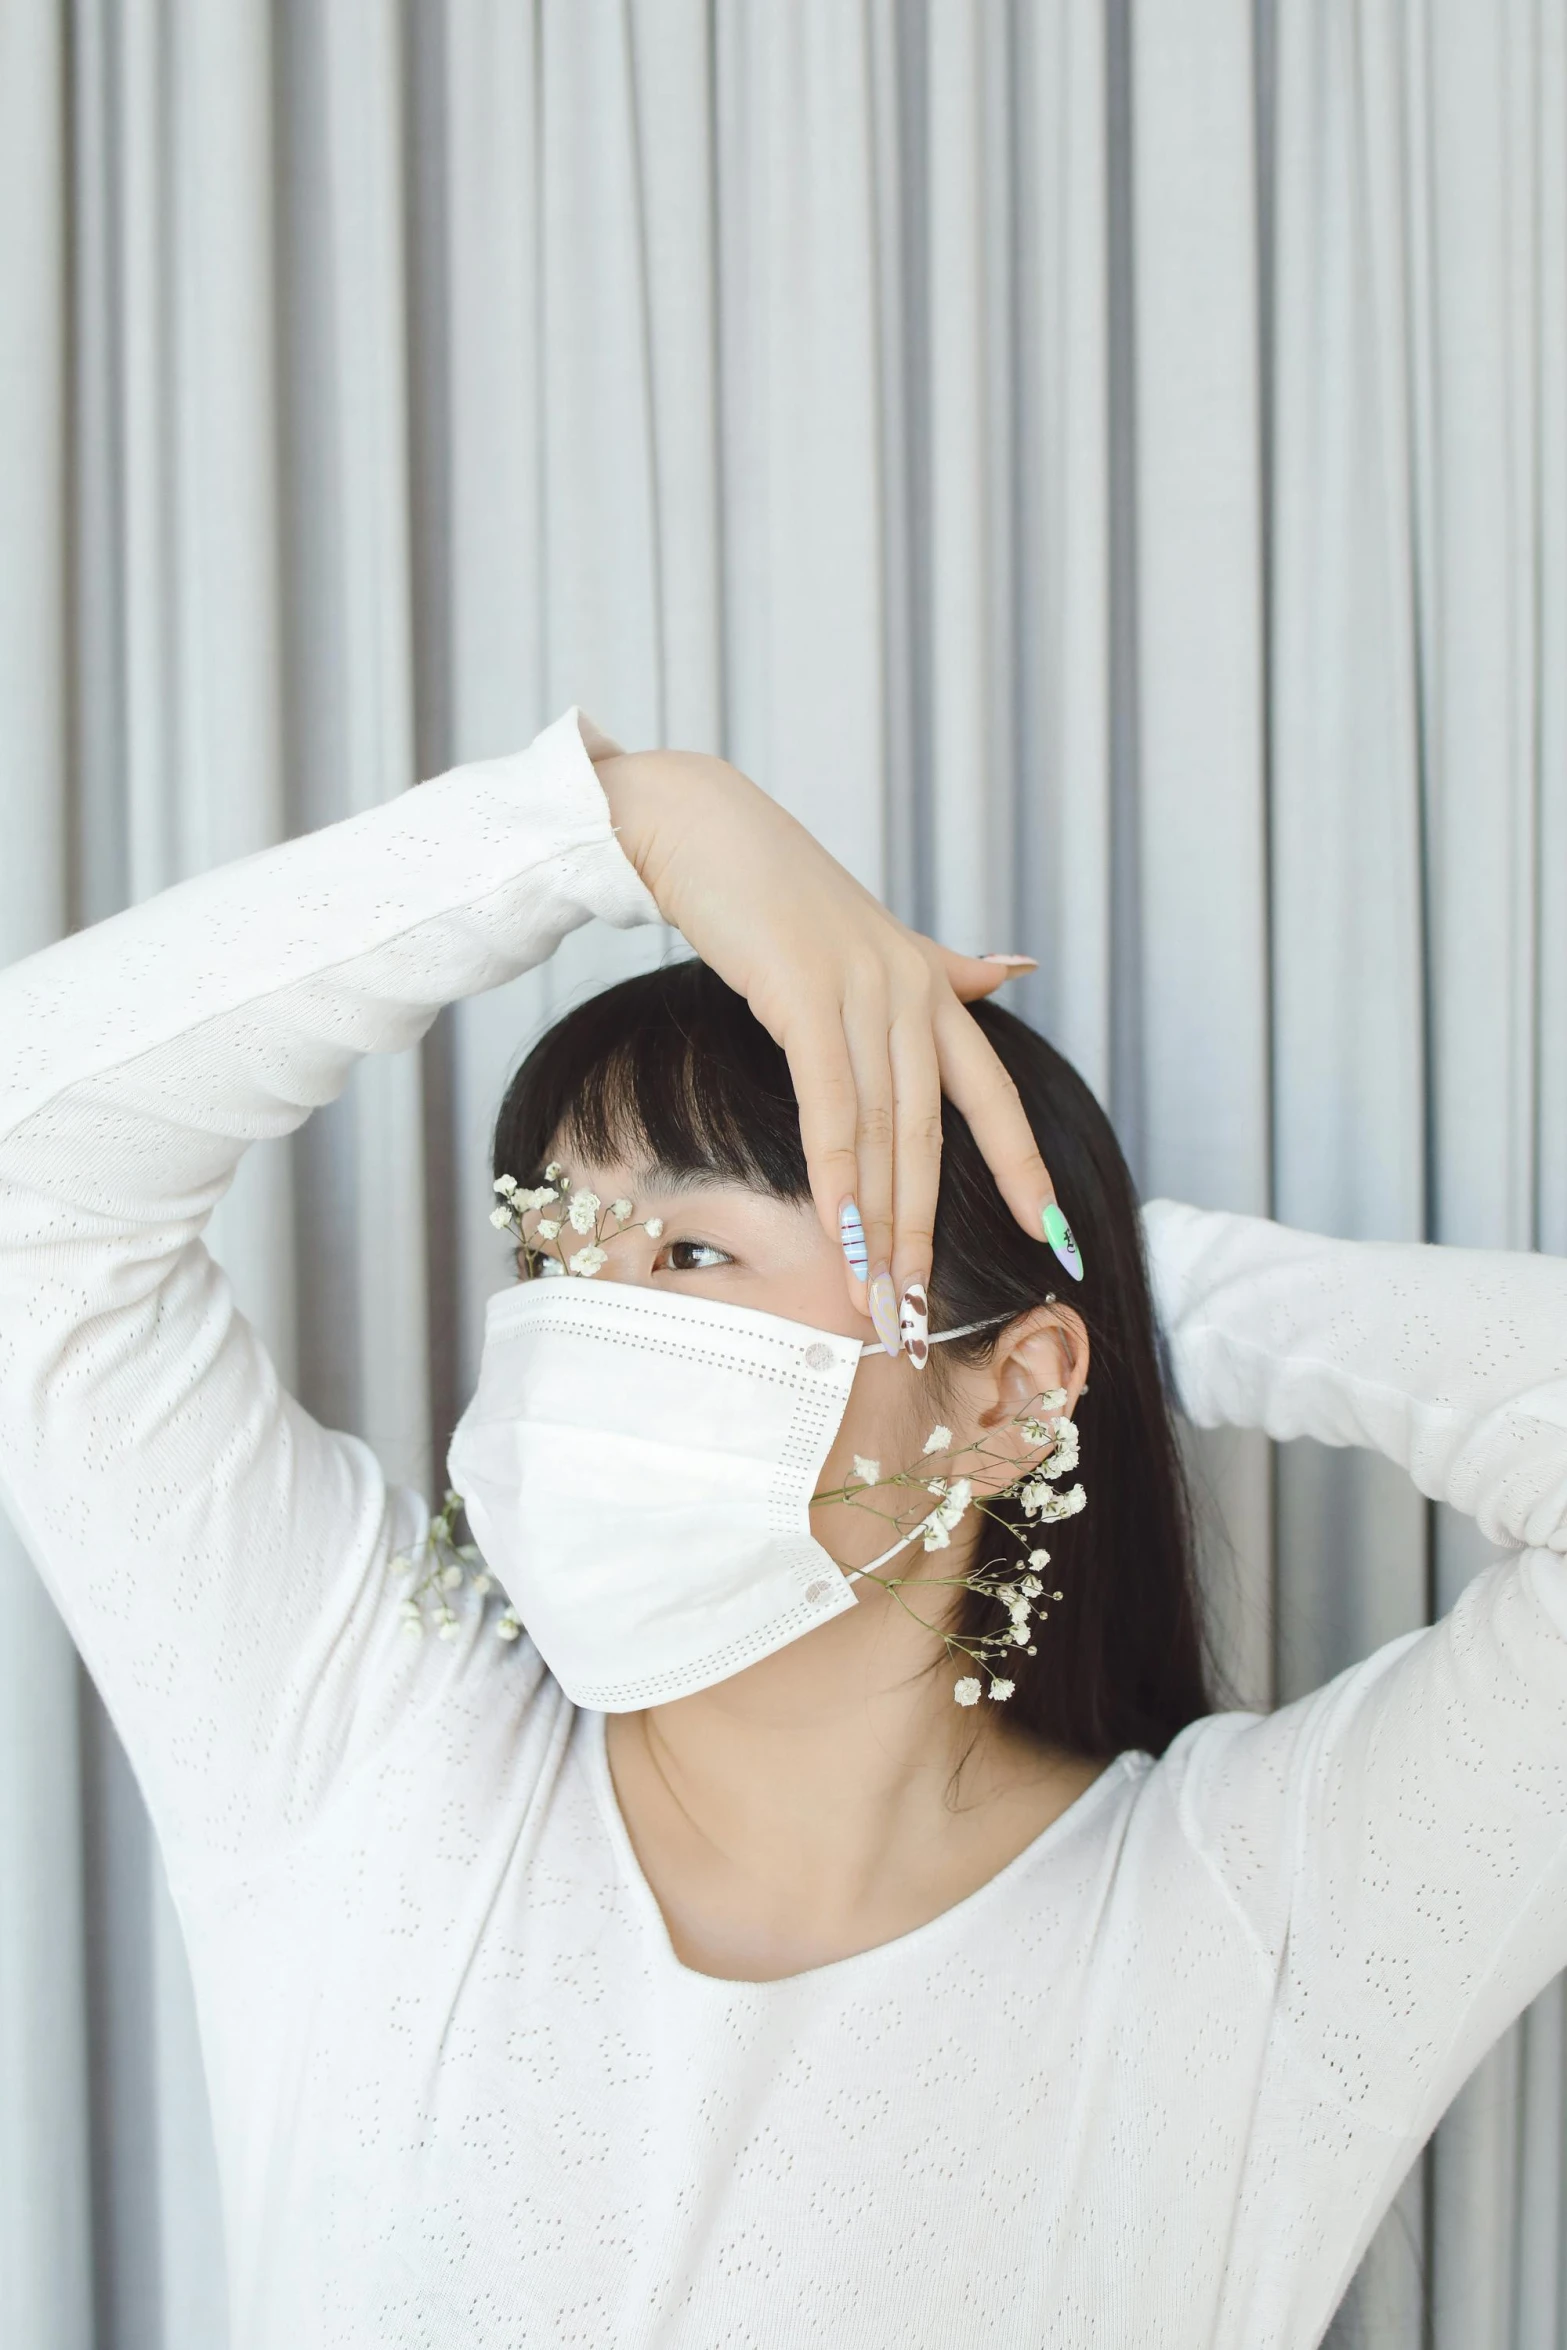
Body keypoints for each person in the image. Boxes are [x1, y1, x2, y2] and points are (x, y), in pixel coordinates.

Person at [0, 709, 1562, 2350]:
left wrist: (1129, 1281)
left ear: (1010, 1397)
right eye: (552, 1257)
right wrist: (622, 824)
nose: (575, 1332)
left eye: (686, 1257)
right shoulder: (368, 1753)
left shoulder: (1261, 1919)